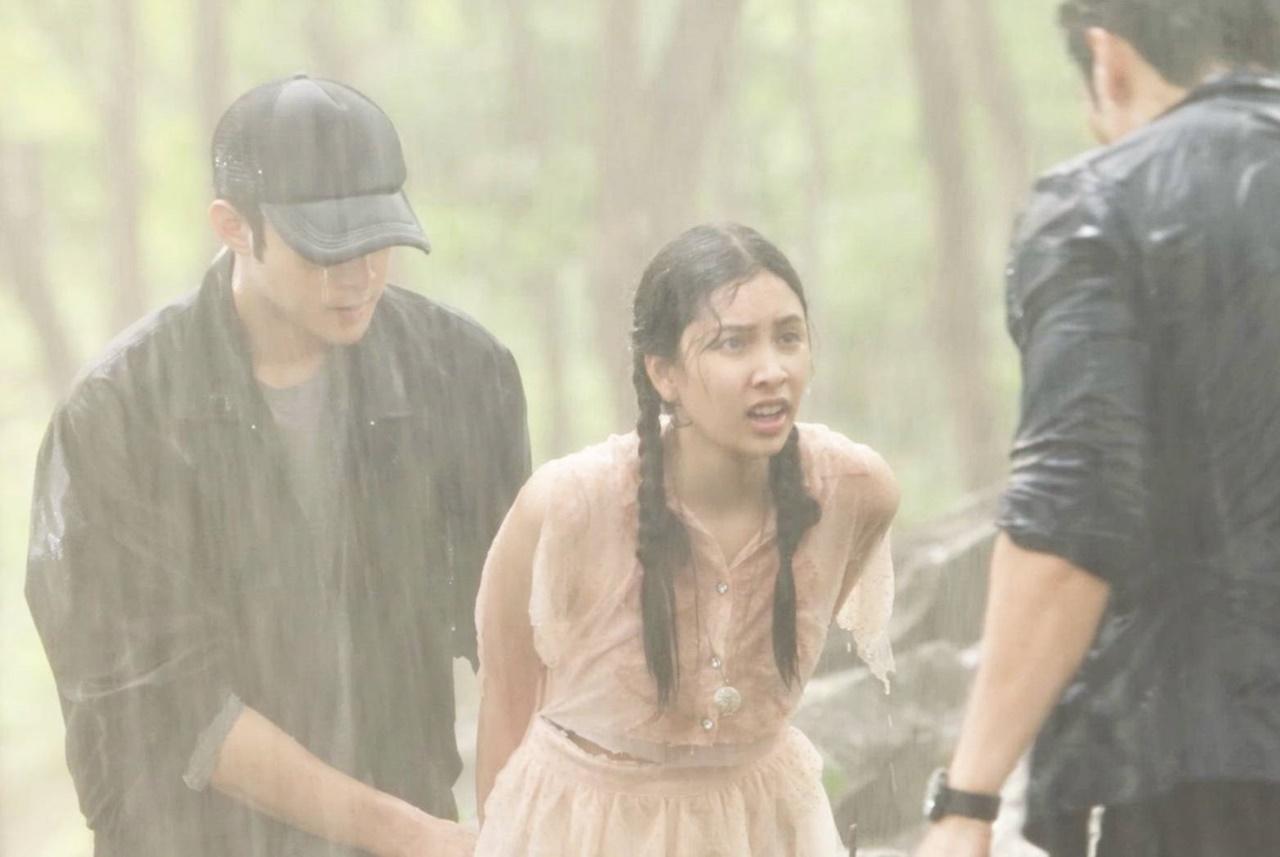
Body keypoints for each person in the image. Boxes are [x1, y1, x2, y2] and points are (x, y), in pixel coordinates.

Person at [25, 74, 530, 857]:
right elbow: (165, 701)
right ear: (233, 226)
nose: (360, 275)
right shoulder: (120, 414)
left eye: (376, 241)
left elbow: (517, 634)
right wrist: (408, 833)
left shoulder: (460, 375)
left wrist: (508, 829)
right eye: (325, 248)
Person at [913, 2, 1280, 856]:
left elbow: (1072, 514)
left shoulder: (1102, 206)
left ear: (1107, 59)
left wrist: (967, 798)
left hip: (1198, 772)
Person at [471, 223, 898, 856]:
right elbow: (507, 704)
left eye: (788, 337)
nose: (772, 371)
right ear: (664, 373)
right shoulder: (568, 506)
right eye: (733, 343)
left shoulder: (854, 491)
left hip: (762, 825)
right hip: (587, 831)